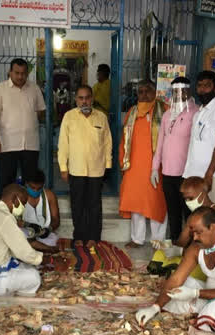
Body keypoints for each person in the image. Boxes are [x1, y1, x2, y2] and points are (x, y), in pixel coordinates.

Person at [135, 207, 215, 332]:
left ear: (214, 228)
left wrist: (196, 293)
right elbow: (176, 279)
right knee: (179, 288)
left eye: (199, 232)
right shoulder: (197, 247)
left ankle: (201, 317)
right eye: (192, 233)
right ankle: (199, 316)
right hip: (210, 297)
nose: (194, 238)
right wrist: (155, 307)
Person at [58, 85, 112, 247]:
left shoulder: (101, 117)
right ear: (76, 100)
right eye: (81, 98)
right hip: (76, 168)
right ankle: (79, 236)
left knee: (94, 205)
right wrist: (63, 167)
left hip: (96, 169)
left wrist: (107, 165)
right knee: (78, 204)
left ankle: (94, 237)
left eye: (87, 97)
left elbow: (107, 143)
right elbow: (63, 143)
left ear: (92, 98)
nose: (84, 101)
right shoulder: (69, 117)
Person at [119, 79, 168, 248]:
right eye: (141, 91)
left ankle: (158, 239)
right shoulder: (132, 112)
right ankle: (137, 239)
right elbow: (124, 139)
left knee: (156, 203)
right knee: (136, 203)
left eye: (148, 90)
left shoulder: (164, 110)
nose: (144, 94)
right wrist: (122, 162)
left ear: (155, 92)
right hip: (134, 167)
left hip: (157, 167)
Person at [152, 77, 199, 242]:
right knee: (173, 212)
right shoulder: (166, 114)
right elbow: (160, 143)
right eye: (175, 92)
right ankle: (175, 245)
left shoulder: (196, 113)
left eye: (182, 91)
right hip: (167, 172)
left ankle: (191, 247)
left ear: (188, 91)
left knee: (189, 212)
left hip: (186, 173)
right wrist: (154, 168)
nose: (179, 95)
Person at [0, 58, 46, 192]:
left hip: (31, 144)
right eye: (17, 73)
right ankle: (6, 212)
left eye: (23, 73)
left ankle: (29, 212)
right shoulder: (0, 89)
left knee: (31, 182)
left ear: (27, 73)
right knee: (7, 183)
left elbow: (41, 110)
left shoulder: (34, 88)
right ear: (10, 72)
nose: (20, 76)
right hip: (7, 145)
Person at [183, 70, 215, 204]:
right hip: (192, 174)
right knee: (194, 219)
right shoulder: (198, 113)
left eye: (207, 85)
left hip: (209, 176)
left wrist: (209, 174)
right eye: (199, 86)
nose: (202, 90)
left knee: (207, 219)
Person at [23, 169, 60, 249]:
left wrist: (48, 229)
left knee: (53, 241)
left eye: (39, 188)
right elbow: (12, 220)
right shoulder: (19, 195)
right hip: (26, 234)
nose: (35, 191)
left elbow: (56, 219)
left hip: (44, 236)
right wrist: (28, 225)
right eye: (32, 188)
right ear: (26, 184)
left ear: (43, 185)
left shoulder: (49, 195)